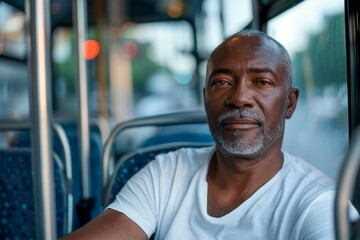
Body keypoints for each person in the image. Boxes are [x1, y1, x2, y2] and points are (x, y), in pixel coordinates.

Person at [61, 29, 357, 240]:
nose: (240, 97)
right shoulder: (167, 173)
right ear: (205, 99)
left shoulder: (320, 205)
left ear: (289, 103)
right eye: (222, 82)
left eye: (262, 82)